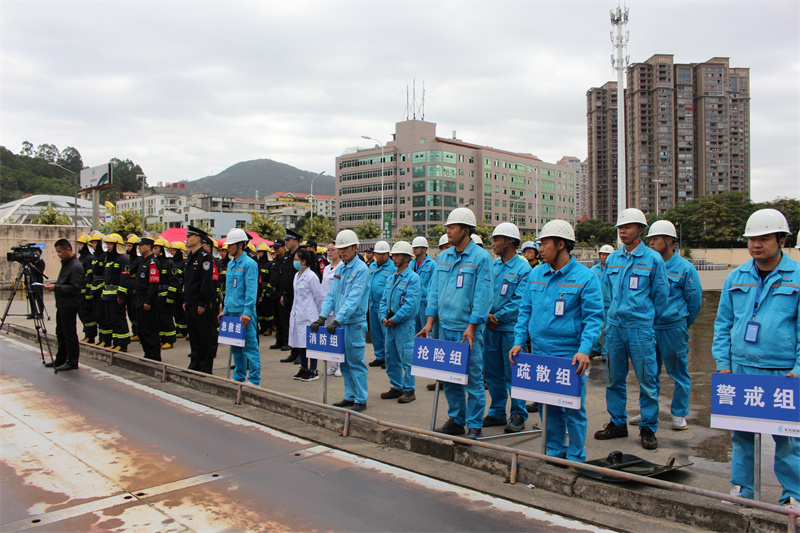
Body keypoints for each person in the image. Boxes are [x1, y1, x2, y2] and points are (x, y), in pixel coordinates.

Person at [712, 208, 800, 510]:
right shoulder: (737, 277)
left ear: (781, 239)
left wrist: (799, 369)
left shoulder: (797, 277)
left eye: (764, 238)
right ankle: (742, 488)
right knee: (741, 434)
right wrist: (723, 364)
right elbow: (722, 324)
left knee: (788, 438)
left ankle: (793, 496)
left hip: (782, 371)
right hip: (740, 368)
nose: (756, 245)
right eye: (752, 239)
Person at [510, 220, 604, 462]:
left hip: (570, 354)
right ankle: (554, 450)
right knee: (546, 405)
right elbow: (525, 310)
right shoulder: (536, 273)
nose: (539, 248)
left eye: (544, 243)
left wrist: (585, 350)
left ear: (561, 244)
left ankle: (575, 455)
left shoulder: (585, 277)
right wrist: (519, 340)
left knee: (573, 407)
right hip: (540, 351)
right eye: (539, 243)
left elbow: (594, 319)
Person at [594, 208, 668, 450]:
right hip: (615, 328)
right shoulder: (613, 259)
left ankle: (648, 427)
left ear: (640, 230)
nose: (622, 231)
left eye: (627, 227)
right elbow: (608, 292)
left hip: (641, 329)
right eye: (620, 228)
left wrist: (645, 319)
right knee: (614, 378)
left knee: (647, 380)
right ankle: (617, 423)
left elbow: (661, 297)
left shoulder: (653, 259)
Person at [418, 207, 493, 440]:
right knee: (450, 379)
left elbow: (483, 295)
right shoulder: (444, 257)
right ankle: (457, 420)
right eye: (448, 227)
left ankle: (474, 424)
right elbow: (435, 291)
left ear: (466, 229)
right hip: (445, 327)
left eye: (453, 227)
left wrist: (473, 325)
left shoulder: (481, 258)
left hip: (467, 330)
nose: (448, 231)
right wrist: (430, 322)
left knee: (472, 378)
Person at [628, 220, 702, 430]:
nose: (650, 243)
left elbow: (694, 301)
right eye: (649, 239)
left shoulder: (684, 268)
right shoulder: (649, 262)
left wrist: (681, 323)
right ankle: (648, 412)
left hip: (673, 328)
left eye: (655, 239)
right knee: (647, 372)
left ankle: (678, 414)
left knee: (678, 371)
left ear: (669, 240)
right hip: (649, 327)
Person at [311, 229, 370, 412]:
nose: (342, 251)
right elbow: (331, 295)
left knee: (356, 361)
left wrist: (339, 319)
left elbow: (354, 299)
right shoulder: (341, 268)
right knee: (343, 361)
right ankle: (349, 395)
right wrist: (322, 316)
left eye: (346, 248)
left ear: (355, 248)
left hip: (354, 322)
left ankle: (361, 398)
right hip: (340, 323)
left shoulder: (361, 269)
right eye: (340, 248)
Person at [483, 223, 532, 434]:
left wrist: (498, 317)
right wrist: (485, 315)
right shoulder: (493, 267)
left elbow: (520, 300)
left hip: (511, 329)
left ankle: (518, 413)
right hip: (490, 328)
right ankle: (496, 411)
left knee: (514, 374)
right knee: (492, 373)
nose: (493, 244)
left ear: (509, 242)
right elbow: (482, 292)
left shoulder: (524, 269)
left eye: (496, 240)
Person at [379, 241, 421, 403]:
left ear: (407, 258)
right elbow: (384, 300)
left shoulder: (413, 278)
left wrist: (395, 319)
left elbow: (410, 305)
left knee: (407, 357)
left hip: (404, 325)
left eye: (398, 255)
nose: (394, 258)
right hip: (390, 325)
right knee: (391, 356)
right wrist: (384, 317)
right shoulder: (391, 277)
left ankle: (409, 390)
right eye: (394, 255)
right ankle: (397, 386)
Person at [220, 228, 261, 386]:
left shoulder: (249, 264)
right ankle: (239, 376)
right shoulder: (230, 264)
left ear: (241, 245)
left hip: (244, 314)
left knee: (250, 347)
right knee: (236, 348)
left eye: (231, 245)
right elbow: (229, 290)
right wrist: (225, 311)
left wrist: (247, 312)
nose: (228, 248)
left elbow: (251, 291)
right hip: (232, 312)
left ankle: (254, 379)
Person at [43, 239, 84, 371]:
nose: (58, 255)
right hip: (62, 303)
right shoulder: (66, 264)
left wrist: (55, 287)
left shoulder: (76, 266)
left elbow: (75, 287)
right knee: (60, 332)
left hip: (70, 304)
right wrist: (54, 285)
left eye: (60, 252)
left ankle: (72, 361)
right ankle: (61, 358)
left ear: (68, 250)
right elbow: (64, 282)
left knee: (69, 333)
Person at [183, 225, 219, 374]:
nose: (186, 239)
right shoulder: (190, 257)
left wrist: (203, 303)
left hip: (200, 303)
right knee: (193, 335)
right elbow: (188, 282)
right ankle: (195, 363)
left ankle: (205, 366)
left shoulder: (205, 257)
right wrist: (185, 301)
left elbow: (206, 283)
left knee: (204, 335)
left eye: (189, 237)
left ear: (197, 239)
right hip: (190, 302)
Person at [290, 248, 324, 381]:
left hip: (309, 316)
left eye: (296, 260)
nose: (294, 262)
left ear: (304, 262)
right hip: (298, 315)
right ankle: (304, 368)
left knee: (311, 344)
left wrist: (320, 316)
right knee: (301, 343)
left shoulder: (311, 276)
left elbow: (319, 297)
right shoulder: (297, 275)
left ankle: (313, 370)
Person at [101, 233, 131, 352]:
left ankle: (123, 344)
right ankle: (116, 341)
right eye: (107, 243)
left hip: (116, 296)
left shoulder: (122, 260)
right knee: (111, 320)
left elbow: (125, 279)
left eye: (110, 244)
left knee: (119, 319)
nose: (108, 246)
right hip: (107, 296)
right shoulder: (108, 259)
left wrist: (121, 295)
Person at [368, 240, 396, 368]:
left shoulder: (392, 268)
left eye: (383, 254)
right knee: (375, 332)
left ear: (388, 254)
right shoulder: (372, 266)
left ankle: (389, 358)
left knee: (387, 334)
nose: (380, 256)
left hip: (384, 306)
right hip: (372, 305)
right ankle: (379, 356)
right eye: (378, 253)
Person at [134, 237, 162, 361]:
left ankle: (154, 356)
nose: (139, 248)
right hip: (139, 300)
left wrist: (148, 301)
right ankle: (147, 354)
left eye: (142, 245)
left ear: (149, 247)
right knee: (142, 329)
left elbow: (153, 284)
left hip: (148, 301)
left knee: (150, 330)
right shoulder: (144, 262)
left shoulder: (153, 262)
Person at [278, 230, 301, 358]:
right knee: (290, 324)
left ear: (296, 241)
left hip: (297, 296)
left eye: (289, 240)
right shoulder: (287, 257)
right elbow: (284, 276)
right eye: (285, 240)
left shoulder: (302, 256)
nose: (286, 242)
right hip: (287, 295)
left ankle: (300, 352)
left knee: (299, 325)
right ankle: (293, 350)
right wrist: (282, 294)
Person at [589, 244, 615, 359]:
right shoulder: (594, 270)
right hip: (596, 303)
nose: (605, 257)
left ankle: (606, 352)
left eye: (607, 255)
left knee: (609, 329)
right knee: (596, 327)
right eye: (603, 254)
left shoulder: (615, 270)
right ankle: (596, 349)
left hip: (610, 304)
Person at [322, 241, 342, 377]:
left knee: (338, 337)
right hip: (326, 307)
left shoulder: (341, 267)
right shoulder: (326, 268)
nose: (330, 252)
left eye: (332, 250)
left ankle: (340, 365)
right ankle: (332, 365)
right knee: (329, 338)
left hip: (337, 308)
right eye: (328, 250)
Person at [153, 237, 177, 349]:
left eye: (156, 248)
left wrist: (170, 297)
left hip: (166, 296)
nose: (154, 250)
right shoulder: (156, 262)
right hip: (158, 296)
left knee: (166, 318)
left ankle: (170, 340)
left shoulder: (169, 263)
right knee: (159, 319)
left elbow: (173, 281)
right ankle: (162, 339)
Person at [411, 236, 437, 334]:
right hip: (413, 301)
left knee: (426, 330)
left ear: (424, 249)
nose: (414, 250)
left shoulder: (432, 265)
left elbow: (433, 285)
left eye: (417, 248)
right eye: (414, 248)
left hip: (424, 303)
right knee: (414, 330)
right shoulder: (411, 264)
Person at [76, 234, 97, 343]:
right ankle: (87, 333)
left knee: (88, 315)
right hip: (80, 291)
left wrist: (88, 291)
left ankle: (91, 335)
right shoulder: (81, 258)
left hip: (86, 292)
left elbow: (89, 276)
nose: (78, 246)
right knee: (83, 314)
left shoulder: (89, 258)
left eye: (80, 244)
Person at [89, 232, 108, 347]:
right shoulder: (95, 256)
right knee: (97, 315)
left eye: (96, 242)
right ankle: (101, 338)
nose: (94, 244)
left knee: (103, 314)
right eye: (92, 242)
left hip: (102, 288)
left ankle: (106, 339)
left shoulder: (104, 256)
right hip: (95, 288)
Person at [170, 241, 188, 339]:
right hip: (175, 290)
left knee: (182, 312)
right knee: (175, 311)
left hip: (181, 291)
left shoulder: (183, 263)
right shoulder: (172, 262)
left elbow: (185, 278)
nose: (172, 252)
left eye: (174, 250)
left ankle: (184, 330)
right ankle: (178, 328)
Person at [126, 235, 142, 342]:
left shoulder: (139, 260)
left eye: (130, 246)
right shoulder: (130, 259)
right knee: (131, 312)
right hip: (129, 289)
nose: (128, 248)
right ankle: (135, 331)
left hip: (136, 290)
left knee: (136, 312)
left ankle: (139, 332)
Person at [256, 242, 274, 336]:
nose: (259, 254)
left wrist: (268, 291)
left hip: (267, 292)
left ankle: (269, 328)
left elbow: (271, 278)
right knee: (261, 311)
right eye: (258, 252)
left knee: (268, 312)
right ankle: (262, 327)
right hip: (260, 291)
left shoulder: (270, 264)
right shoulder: (258, 264)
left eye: (261, 252)